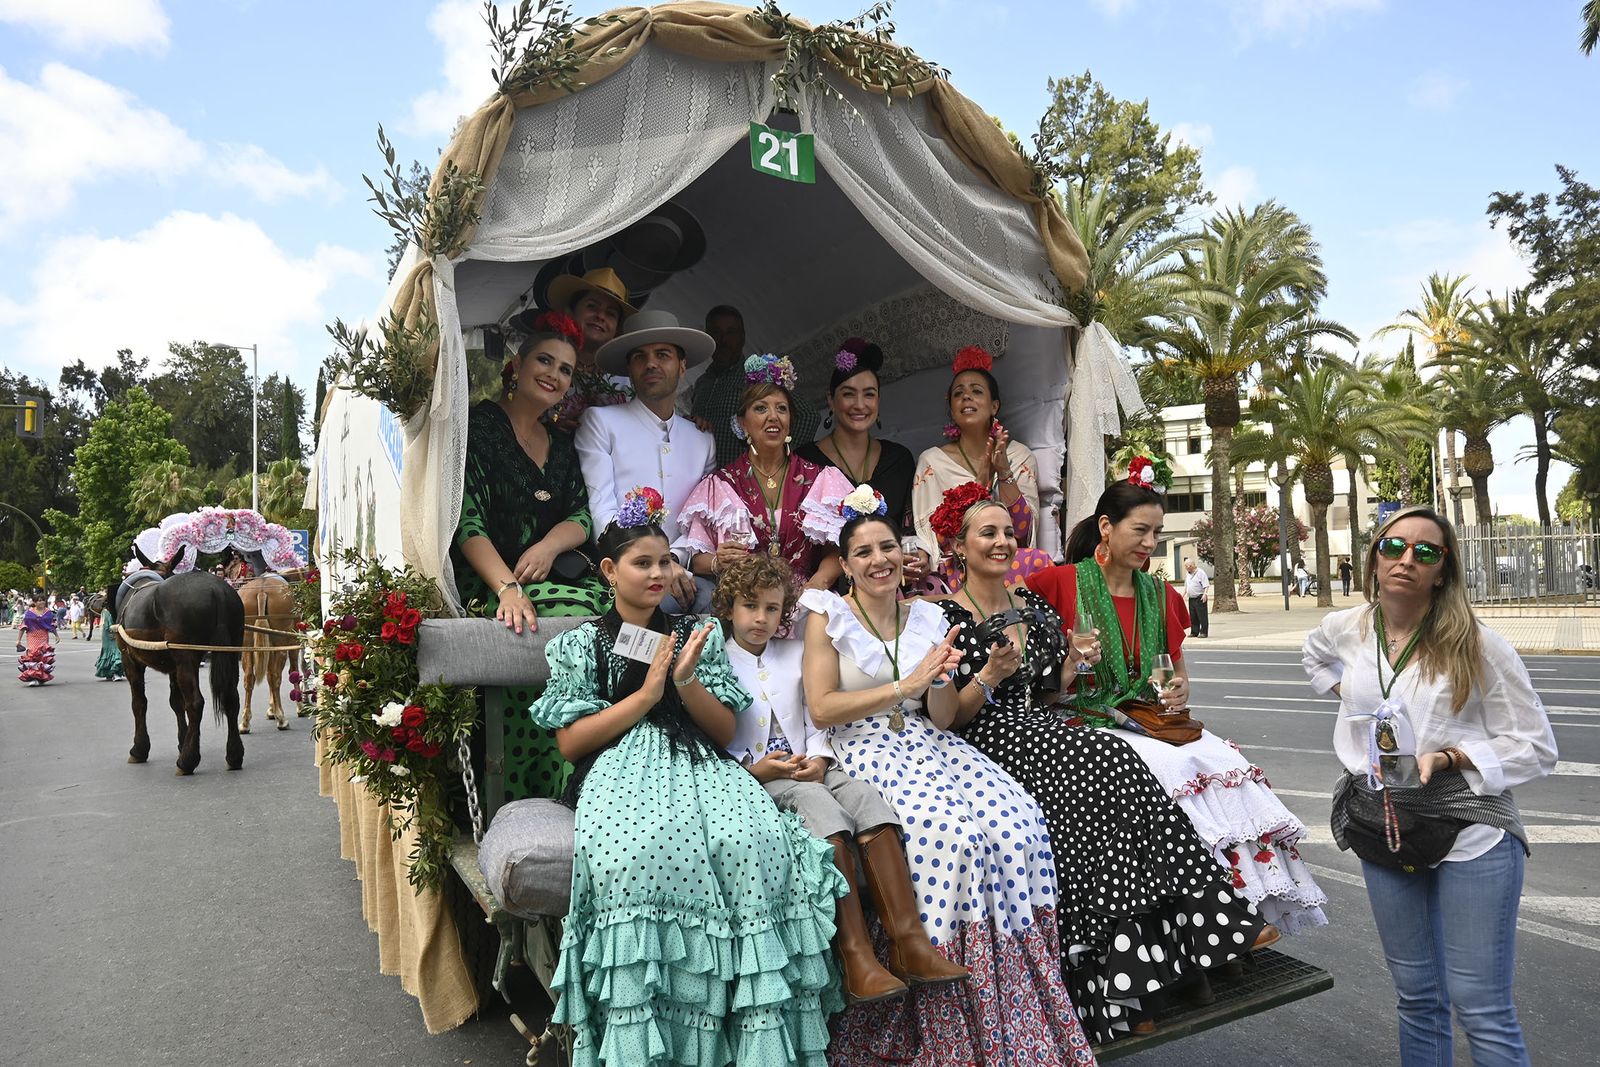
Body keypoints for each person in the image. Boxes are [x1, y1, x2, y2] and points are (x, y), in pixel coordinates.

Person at [928, 486, 1276, 1041]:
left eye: (1007, 533)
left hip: (1042, 726)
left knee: (1114, 776)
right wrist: (990, 675)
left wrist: (1070, 663)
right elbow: (948, 717)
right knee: (1105, 766)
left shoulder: (1033, 605)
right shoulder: (941, 614)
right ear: (958, 546)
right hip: (988, 739)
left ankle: (1148, 968)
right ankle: (1195, 932)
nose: (1001, 543)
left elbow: (1048, 690)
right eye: (986, 534)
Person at [528, 495, 846, 1065]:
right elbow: (572, 742)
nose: (658, 574)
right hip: (619, 765)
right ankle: (649, 1037)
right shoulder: (583, 642)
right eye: (642, 563)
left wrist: (687, 680)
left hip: (702, 762)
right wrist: (648, 696)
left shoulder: (697, 631)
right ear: (609, 571)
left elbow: (724, 731)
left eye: (664, 563)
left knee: (756, 842)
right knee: (634, 855)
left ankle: (744, 1033)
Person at [800, 490, 1095, 1065]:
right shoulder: (827, 613)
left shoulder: (930, 615)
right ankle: (940, 1018)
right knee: (953, 838)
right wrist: (902, 688)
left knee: (1020, 825)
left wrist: (950, 678)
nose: (879, 560)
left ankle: (1018, 1010)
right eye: (863, 552)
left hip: (932, 743)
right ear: (848, 563)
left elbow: (943, 715)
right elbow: (821, 708)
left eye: (888, 546)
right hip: (863, 751)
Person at [1303, 506, 1556, 1067]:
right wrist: (1349, 695)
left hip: (1470, 831)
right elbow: (1313, 658)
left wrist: (1451, 756)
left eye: (1425, 552)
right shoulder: (1347, 629)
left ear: (1443, 570)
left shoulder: (1479, 645)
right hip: (1382, 823)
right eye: (1393, 547)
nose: (1406, 561)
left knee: (1480, 1006)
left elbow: (1537, 746)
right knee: (1417, 998)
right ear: (1373, 559)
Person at [1029, 469, 1328, 935]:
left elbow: (1175, 668)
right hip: (1083, 717)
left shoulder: (1159, 592)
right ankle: (1213, 919)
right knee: (1173, 772)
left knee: (1223, 762)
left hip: (1146, 715)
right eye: (1140, 530)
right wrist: (1070, 662)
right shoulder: (1058, 583)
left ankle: (1250, 902)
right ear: (1106, 527)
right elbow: (1038, 683)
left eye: (1156, 533)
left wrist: (1180, 688)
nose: (1149, 543)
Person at [714, 552, 967, 1004]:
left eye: (772, 609)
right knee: (823, 810)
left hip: (808, 765)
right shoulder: (717, 660)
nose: (761, 618)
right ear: (729, 606)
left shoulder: (792, 653)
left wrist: (819, 758)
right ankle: (857, 958)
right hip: (755, 776)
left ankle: (909, 945)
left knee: (867, 798)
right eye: (750, 606)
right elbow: (712, 735)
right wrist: (755, 769)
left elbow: (817, 716)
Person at [453, 311, 610, 800]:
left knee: (616, 617)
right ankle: (540, 783)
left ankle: (603, 773)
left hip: (559, 575)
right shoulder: (478, 428)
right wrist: (507, 587)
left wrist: (547, 545)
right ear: (516, 367)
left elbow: (582, 518)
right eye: (545, 360)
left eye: (566, 369)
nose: (555, 375)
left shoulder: (562, 445)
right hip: (496, 581)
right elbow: (467, 521)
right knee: (554, 620)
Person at [576, 309, 717, 613]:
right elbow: (602, 508)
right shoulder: (601, 422)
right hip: (624, 568)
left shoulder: (702, 438)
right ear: (629, 369)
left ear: (682, 367)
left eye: (662, 354)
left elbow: (699, 522)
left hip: (685, 568)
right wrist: (656, 564)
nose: (650, 363)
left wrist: (674, 560)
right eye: (640, 356)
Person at [676, 354, 849, 598]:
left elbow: (842, 545)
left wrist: (817, 583)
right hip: (746, 609)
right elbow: (696, 558)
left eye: (781, 409)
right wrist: (717, 561)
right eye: (760, 408)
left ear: (790, 421)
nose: (773, 416)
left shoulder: (819, 479)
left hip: (807, 608)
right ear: (742, 422)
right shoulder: (722, 485)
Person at [911, 345, 1050, 590]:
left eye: (976, 391)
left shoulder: (1019, 456)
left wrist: (1004, 471)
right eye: (958, 393)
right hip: (956, 567)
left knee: (1038, 561)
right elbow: (939, 538)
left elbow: (1021, 532)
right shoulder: (932, 461)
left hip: (1006, 564)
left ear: (994, 406)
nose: (966, 397)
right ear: (952, 407)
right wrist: (981, 482)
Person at [795, 337, 932, 587]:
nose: (860, 405)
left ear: (878, 401)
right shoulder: (805, 461)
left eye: (869, 395)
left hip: (888, 584)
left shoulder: (898, 459)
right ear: (830, 400)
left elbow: (910, 529)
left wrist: (920, 554)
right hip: (824, 590)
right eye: (848, 394)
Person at [690, 305, 819, 466]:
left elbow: (808, 416)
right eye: (716, 332)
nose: (723, 340)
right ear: (707, 337)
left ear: (742, 337)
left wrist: (774, 461)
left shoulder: (757, 375)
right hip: (702, 482)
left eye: (731, 333)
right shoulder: (702, 383)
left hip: (742, 483)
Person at [540, 267, 636, 432]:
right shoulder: (543, 360)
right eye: (592, 306)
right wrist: (548, 427)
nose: (600, 316)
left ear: (617, 330)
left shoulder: (628, 375)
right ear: (570, 313)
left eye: (610, 313)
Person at [16, 595, 57, 686]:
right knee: (33, 655)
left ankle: (40, 677)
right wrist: (18, 640)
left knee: (42, 657)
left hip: (43, 636)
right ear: (34, 602)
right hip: (32, 636)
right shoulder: (29, 613)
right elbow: (23, 627)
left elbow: (52, 625)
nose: (41, 602)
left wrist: (56, 635)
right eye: (39, 601)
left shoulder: (48, 612)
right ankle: (33, 677)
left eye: (42, 600)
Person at [94, 585, 123, 682]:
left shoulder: (108, 610)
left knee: (113, 651)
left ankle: (113, 672)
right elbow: (107, 624)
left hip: (110, 631)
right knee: (113, 651)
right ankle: (114, 673)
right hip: (110, 632)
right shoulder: (107, 611)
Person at [1184, 559, 1210, 638]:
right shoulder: (1187, 574)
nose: (1188, 568)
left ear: (1193, 565)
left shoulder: (1200, 573)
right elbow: (1186, 586)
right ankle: (1194, 632)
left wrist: (1205, 594)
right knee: (1193, 616)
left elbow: (1206, 584)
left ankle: (1204, 632)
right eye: (1186, 566)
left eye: (1189, 566)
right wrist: (1183, 595)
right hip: (1191, 598)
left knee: (1202, 616)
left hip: (1200, 597)